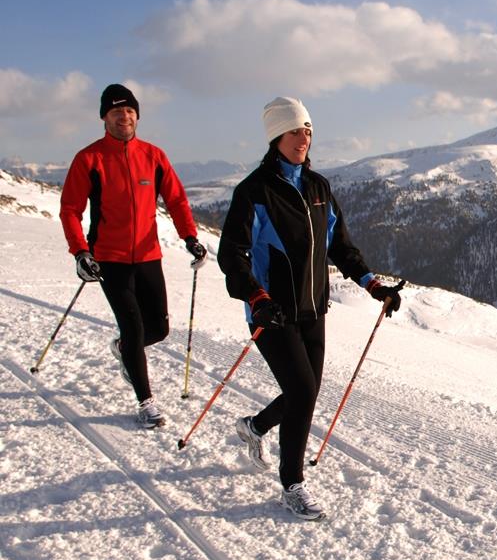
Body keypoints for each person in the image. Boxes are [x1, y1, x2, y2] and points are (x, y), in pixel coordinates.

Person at [218, 97, 403, 521]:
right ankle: (292, 484)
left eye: (308, 130)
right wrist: (254, 297)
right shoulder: (255, 191)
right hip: (271, 313)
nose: (304, 137)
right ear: (276, 137)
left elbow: (340, 244)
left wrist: (372, 284)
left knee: (306, 392)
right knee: (302, 391)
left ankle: (256, 427)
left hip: (313, 309)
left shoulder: (319, 188)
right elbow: (233, 254)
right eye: (295, 130)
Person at [59, 83, 208, 429]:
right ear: (104, 118)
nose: (123, 117)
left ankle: (125, 348)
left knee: (159, 327)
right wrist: (80, 251)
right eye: (115, 112)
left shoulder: (153, 156)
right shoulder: (89, 159)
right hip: (108, 258)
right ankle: (146, 402)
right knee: (134, 323)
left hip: (147, 255)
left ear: (136, 115)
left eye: (128, 111)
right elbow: (70, 209)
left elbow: (176, 200)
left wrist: (190, 236)